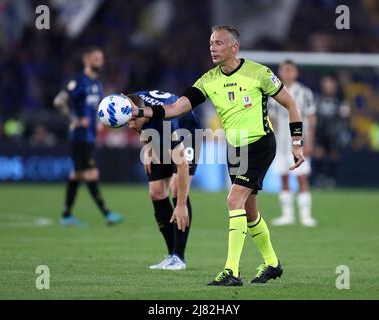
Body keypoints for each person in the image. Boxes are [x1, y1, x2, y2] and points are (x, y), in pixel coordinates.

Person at [131, 26, 305, 286]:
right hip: (234, 149)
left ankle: (231, 271)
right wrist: (145, 113)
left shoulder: (259, 73)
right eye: (211, 43)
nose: (213, 47)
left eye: (219, 43)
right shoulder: (208, 80)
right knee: (249, 211)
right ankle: (272, 263)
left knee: (233, 199)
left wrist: (296, 143)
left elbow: (291, 104)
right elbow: (177, 107)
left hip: (259, 145)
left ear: (234, 47)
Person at [127, 90, 201, 270]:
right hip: (157, 134)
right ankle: (170, 255)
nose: (130, 125)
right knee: (156, 192)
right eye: (127, 120)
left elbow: (182, 164)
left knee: (177, 189)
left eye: (133, 120)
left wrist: (181, 204)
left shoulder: (166, 122)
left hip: (188, 134)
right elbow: (139, 122)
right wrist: (148, 145)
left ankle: (179, 257)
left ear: (143, 111)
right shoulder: (131, 103)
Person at [53, 47, 123, 226]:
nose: (101, 61)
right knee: (91, 173)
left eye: (102, 58)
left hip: (90, 136)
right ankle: (107, 213)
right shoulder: (79, 81)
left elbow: (98, 109)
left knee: (76, 175)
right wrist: (74, 119)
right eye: (97, 58)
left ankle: (66, 215)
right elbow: (59, 101)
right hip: (79, 137)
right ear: (87, 60)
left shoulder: (97, 84)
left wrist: (101, 123)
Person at [269, 60, 318, 227]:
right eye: (285, 70)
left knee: (302, 178)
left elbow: (311, 120)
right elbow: (272, 121)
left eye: (291, 70)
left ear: (296, 72)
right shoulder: (273, 94)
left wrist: (309, 142)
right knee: (283, 178)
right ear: (280, 72)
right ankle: (287, 215)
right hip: (280, 144)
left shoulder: (304, 93)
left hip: (298, 144)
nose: (288, 73)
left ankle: (306, 216)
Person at [314, 75, 350, 188]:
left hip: (334, 132)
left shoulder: (340, 100)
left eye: (330, 83)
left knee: (334, 154)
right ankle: (320, 178)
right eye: (326, 83)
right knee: (319, 152)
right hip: (321, 131)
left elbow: (345, 117)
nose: (328, 86)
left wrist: (342, 131)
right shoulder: (319, 99)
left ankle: (331, 179)